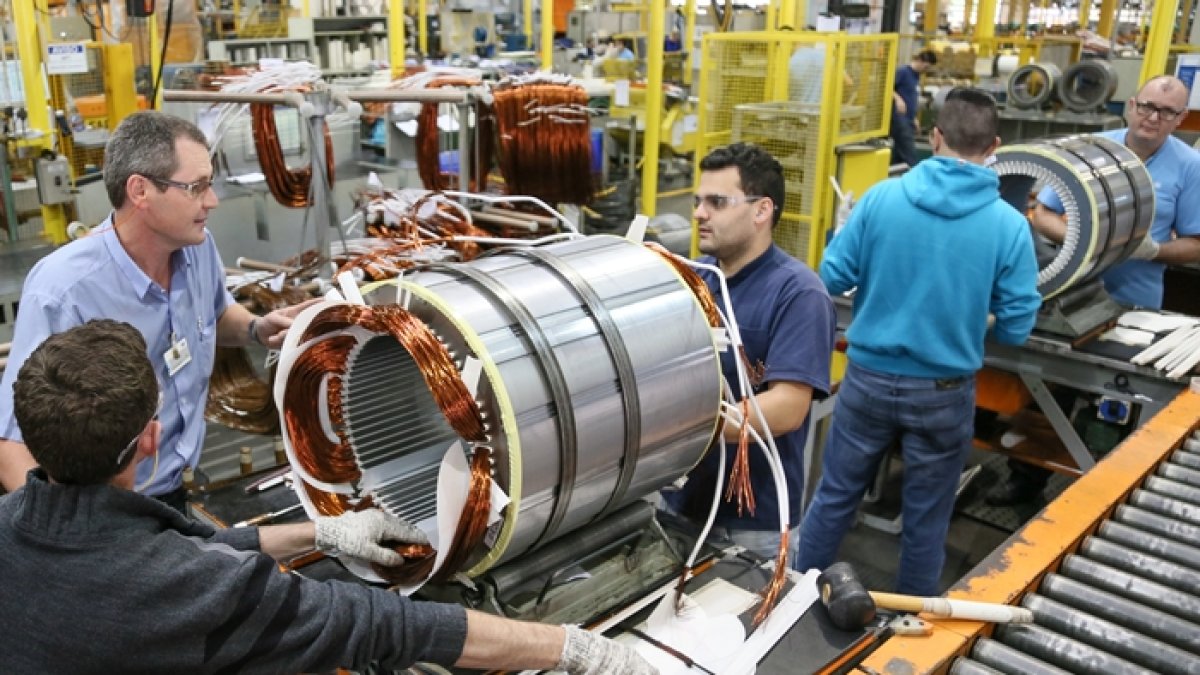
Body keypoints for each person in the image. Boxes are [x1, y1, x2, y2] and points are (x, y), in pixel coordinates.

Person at [0, 319, 655, 674]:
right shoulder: (189, 588)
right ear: (149, 440)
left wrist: (318, 532)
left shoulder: (11, 524)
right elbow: (379, 624)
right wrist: (570, 649)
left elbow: (168, 552)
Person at [0, 111, 315, 511]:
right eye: (196, 187)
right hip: (104, 509)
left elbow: (216, 316)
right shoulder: (64, 291)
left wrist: (256, 329)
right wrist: (71, 533)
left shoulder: (199, 249)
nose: (212, 201)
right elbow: (9, 442)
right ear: (140, 191)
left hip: (175, 486)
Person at [798, 88, 1040, 595]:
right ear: (994, 145)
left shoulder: (881, 199)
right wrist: (978, 316)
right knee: (927, 519)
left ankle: (795, 596)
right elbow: (1018, 327)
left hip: (866, 380)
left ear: (935, 136)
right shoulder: (1009, 226)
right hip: (944, 391)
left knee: (836, 494)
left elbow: (832, 275)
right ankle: (911, 624)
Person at [986, 74, 1200, 507]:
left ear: (1179, 120)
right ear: (1131, 104)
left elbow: (1196, 243)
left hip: (1134, 307)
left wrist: (1153, 250)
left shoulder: (1189, 166)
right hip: (1071, 293)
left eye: (1165, 112)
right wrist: (1082, 238)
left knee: (1121, 409)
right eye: (1145, 106)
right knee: (1050, 394)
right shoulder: (1094, 149)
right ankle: (1025, 480)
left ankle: (1108, 498)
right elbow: (1042, 213)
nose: (1151, 117)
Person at [661, 143, 836, 563]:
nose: (700, 213)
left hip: (751, 521)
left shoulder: (798, 293)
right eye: (698, 201)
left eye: (717, 202)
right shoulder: (695, 278)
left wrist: (680, 426)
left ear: (761, 211)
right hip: (680, 503)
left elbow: (788, 406)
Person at [890, 50, 938, 168]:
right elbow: (888, 87)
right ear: (920, 61)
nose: (925, 70)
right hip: (899, 119)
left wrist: (914, 118)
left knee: (899, 154)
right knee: (909, 153)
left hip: (908, 119)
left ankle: (895, 174)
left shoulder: (916, 76)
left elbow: (911, 97)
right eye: (926, 67)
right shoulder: (903, 72)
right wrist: (898, 99)